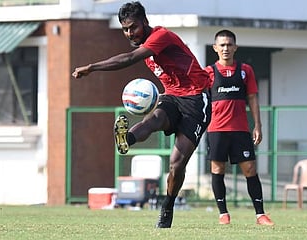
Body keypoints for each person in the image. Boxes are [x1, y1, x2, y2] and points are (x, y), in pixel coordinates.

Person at [72, 1, 211, 228]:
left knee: (176, 163)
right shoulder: (144, 46)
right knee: (153, 119)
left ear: (145, 22)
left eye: (133, 27)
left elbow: (128, 59)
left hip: (197, 99)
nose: (129, 33)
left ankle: (167, 207)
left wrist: (92, 67)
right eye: (125, 29)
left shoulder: (161, 36)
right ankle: (126, 139)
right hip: (173, 96)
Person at [204, 29, 274, 226]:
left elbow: (252, 97)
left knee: (250, 169)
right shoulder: (209, 72)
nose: (226, 48)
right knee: (218, 169)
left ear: (235, 47)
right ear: (215, 48)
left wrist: (258, 125)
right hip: (216, 129)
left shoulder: (245, 70)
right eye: (222, 45)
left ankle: (260, 214)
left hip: (241, 130)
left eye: (229, 44)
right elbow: (200, 99)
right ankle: (223, 214)